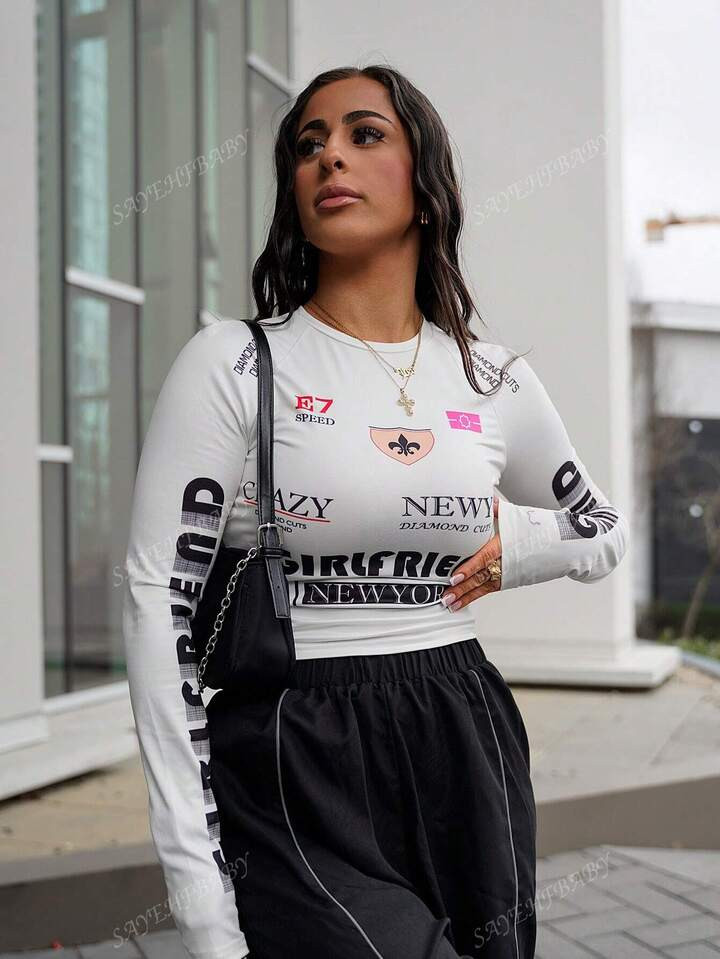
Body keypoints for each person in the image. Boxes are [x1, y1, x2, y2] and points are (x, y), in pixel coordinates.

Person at [122, 64, 629, 959]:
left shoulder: (492, 377)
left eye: (364, 135)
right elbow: (155, 608)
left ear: (425, 185)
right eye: (308, 145)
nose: (329, 158)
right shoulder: (237, 364)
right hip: (292, 749)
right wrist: (200, 900)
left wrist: (522, 545)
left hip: (462, 730)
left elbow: (603, 527)